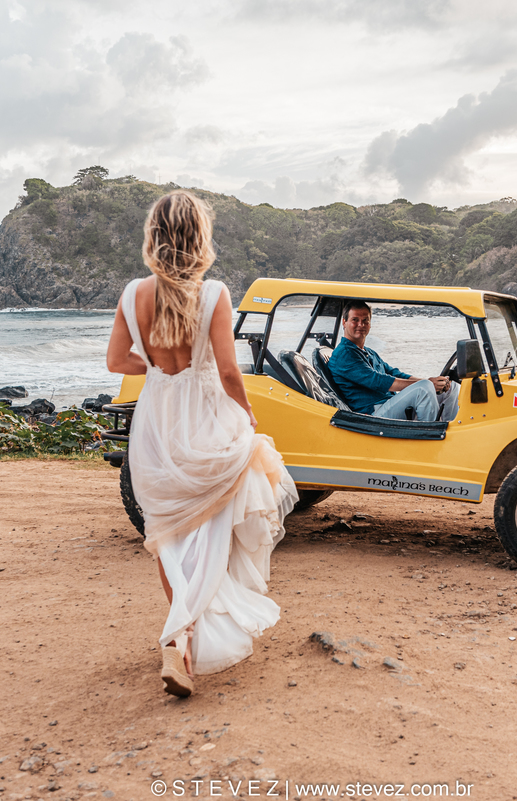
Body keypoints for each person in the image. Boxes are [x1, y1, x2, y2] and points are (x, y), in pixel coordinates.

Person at [105, 190, 297, 698]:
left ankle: (180, 639)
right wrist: (246, 411)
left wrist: (155, 369)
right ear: (199, 238)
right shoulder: (214, 295)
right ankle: (183, 635)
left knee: (169, 535)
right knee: (212, 532)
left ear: (153, 236)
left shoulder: (131, 294)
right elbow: (230, 370)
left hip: (155, 426)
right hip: (205, 418)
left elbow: (116, 361)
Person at [327, 300, 460, 422]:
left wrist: (435, 382)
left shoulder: (369, 352)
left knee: (451, 387)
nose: (360, 325)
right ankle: (429, 437)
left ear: (370, 324)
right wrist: (428, 383)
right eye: (355, 320)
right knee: (424, 388)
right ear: (344, 322)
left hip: (387, 404)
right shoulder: (344, 354)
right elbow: (378, 381)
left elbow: (395, 374)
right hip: (372, 414)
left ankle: (450, 432)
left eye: (365, 320)